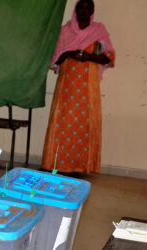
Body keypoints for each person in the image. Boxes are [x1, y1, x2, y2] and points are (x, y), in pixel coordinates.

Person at [42, 0, 115, 174]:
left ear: (92, 11)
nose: (84, 10)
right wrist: (68, 53)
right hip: (66, 87)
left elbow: (108, 57)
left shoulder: (98, 31)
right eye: (80, 7)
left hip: (88, 89)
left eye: (88, 7)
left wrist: (89, 57)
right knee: (62, 123)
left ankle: (81, 165)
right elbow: (54, 61)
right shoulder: (65, 32)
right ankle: (56, 163)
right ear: (75, 10)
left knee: (84, 125)